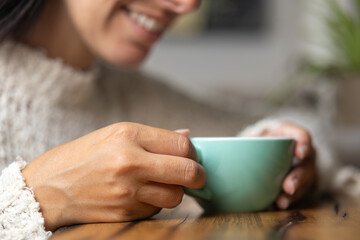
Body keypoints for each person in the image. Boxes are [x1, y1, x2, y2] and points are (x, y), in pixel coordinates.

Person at [0, 0, 316, 239]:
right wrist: (36, 196)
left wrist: (293, 153)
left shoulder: (136, 96)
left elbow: (299, 122)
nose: (188, 4)